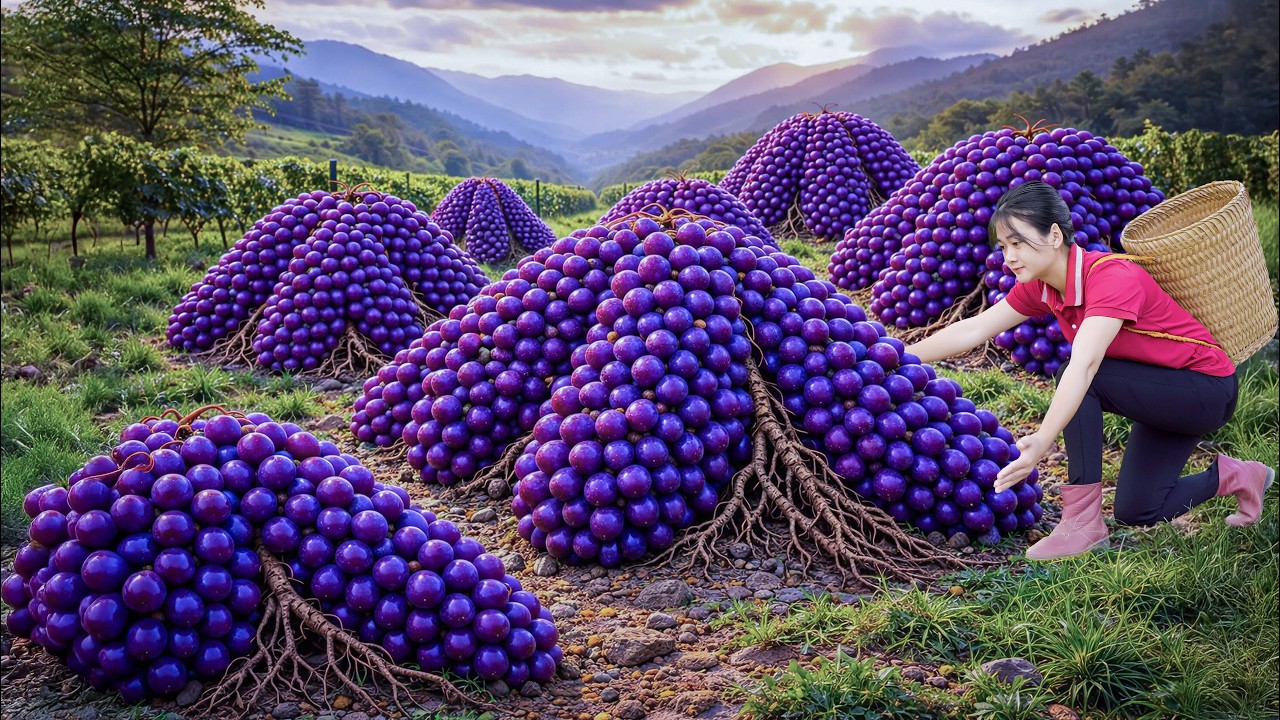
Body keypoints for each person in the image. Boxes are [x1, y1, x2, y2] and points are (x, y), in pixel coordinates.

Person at [904, 180, 1274, 560]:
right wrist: (897, 355)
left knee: (1082, 377)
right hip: (1160, 389)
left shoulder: (1111, 277)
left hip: (1205, 390)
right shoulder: (1042, 286)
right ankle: (1240, 476)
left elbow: (1085, 365)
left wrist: (1042, 440)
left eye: (1017, 243)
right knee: (1139, 509)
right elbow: (974, 328)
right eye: (1003, 247)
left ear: (1053, 235)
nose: (1009, 257)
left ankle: (1082, 523)